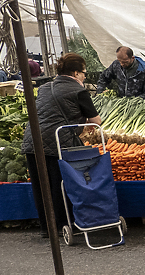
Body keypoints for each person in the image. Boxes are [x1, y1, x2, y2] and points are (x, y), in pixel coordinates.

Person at [21, 53, 102, 237]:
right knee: (59, 184)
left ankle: (46, 228)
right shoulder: (79, 91)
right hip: (57, 142)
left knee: (41, 185)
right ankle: (64, 224)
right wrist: (85, 127)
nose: (84, 76)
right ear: (75, 73)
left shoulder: (44, 88)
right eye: (83, 73)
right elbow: (96, 120)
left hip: (32, 140)